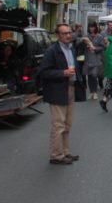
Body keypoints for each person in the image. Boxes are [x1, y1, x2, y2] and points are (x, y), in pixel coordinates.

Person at [38, 24, 82, 165]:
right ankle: (56, 155)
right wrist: (63, 73)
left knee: (67, 124)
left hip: (70, 88)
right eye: (64, 33)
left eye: (69, 32)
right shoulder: (52, 51)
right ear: (58, 35)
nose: (68, 35)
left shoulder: (71, 49)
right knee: (58, 124)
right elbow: (44, 72)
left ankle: (65, 152)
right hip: (57, 90)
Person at [84, 22, 105, 99]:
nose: (91, 28)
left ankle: (95, 92)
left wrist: (95, 48)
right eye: (90, 27)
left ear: (96, 27)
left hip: (96, 58)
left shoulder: (99, 36)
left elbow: (103, 47)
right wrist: (85, 44)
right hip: (88, 58)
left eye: (93, 27)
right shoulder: (86, 36)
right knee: (89, 76)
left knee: (94, 75)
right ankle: (91, 92)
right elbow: (80, 45)